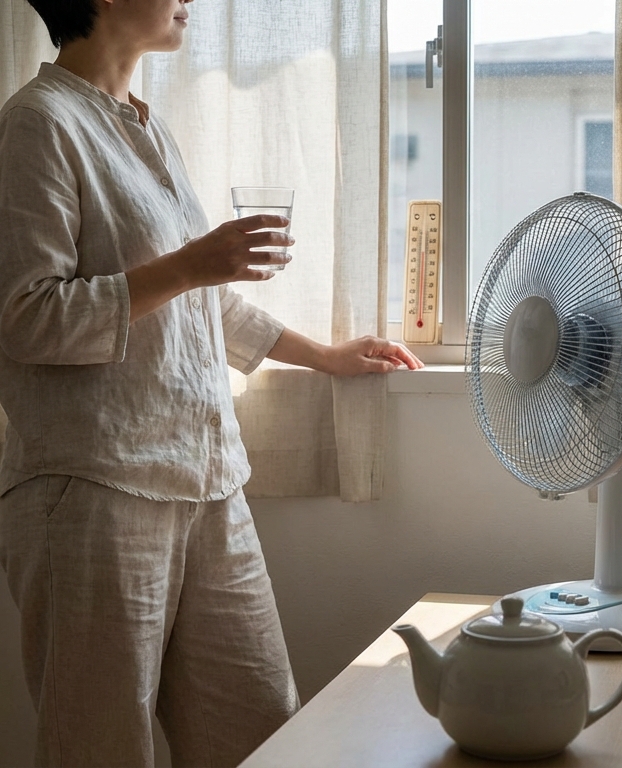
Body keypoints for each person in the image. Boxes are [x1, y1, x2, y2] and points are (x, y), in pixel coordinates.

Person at [0, 1, 424, 765]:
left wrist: (325, 355)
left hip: (208, 486)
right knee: (99, 750)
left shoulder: (147, 129)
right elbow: (28, 317)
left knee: (266, 737)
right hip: (92, 493)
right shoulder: (38, 123)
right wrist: (193, 262)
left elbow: (199, 299)